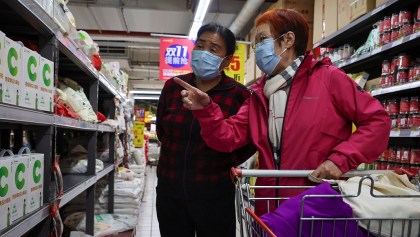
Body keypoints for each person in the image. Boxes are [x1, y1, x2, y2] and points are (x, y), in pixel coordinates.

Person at [174, 8, 391, 216]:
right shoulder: (259, 95)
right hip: (269, 208)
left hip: (316, 206)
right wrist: (206, 111)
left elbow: (377, 122)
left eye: (262, 40)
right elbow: (227, 138)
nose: (257, 48)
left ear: (288, 40)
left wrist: (340, 160)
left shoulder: (328, 79)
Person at [156, 23, 255, 237]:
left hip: (214, 194)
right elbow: (162, 132)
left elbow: (247, 142)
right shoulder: (174, 86)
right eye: (200, 46)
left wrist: (225, 162)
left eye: (213, 49)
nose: (203, 53)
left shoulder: (239, 95)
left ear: (227, 60)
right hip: (170, 191)